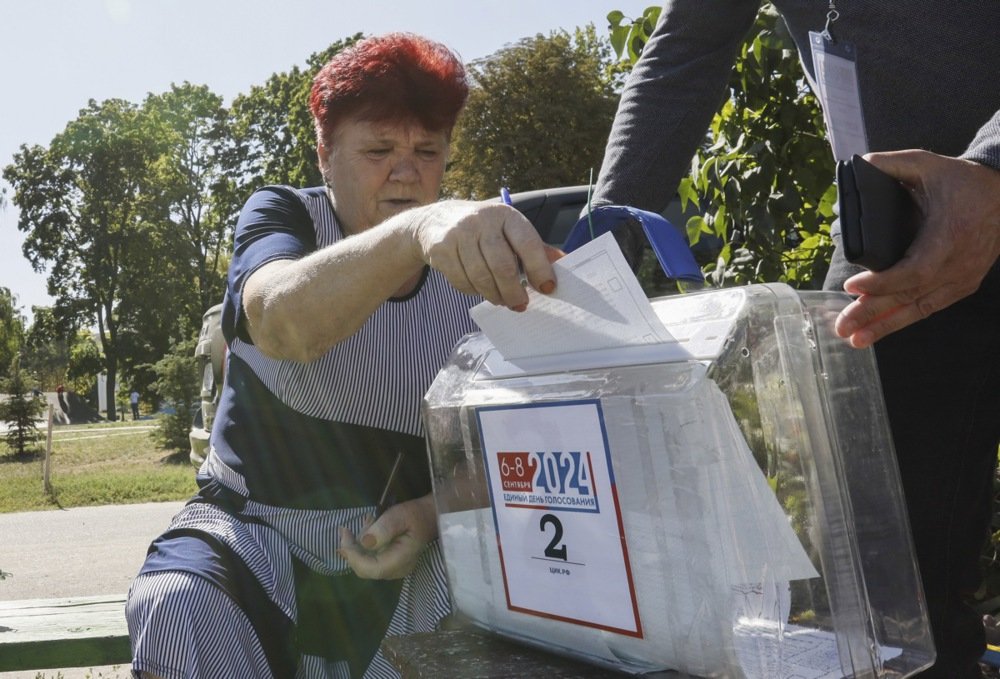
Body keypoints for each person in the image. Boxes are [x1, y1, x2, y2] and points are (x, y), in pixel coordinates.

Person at [125, 33, 558, 679]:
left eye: (428, 151)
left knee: (527, 586)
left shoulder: (480, 265)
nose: (407, 172)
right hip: (255, 531)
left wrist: (431, 513)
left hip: (407, 549)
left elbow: (524, 447)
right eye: (379, 150)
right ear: (324, 155)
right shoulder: (283, 215)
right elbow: (281, 323)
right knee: (178, 601)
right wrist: (414, 232)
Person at [589, 3, 1000, 677]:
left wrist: (992, 168)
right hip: (887, 239)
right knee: (888, 598)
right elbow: (683, 55)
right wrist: (600, 246)